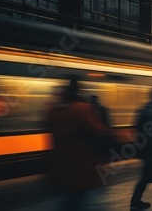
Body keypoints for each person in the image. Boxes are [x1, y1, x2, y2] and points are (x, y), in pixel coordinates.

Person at [45, 78, 115, 211]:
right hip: (80, 165)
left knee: (71, 198)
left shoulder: (53, 111)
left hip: (59, 165)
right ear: (78, 90)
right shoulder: (83, 109)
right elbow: (99, 132)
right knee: (77, 197)